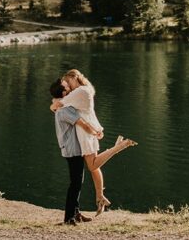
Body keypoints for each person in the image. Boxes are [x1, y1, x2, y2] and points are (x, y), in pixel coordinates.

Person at [51, 69, 137, 216]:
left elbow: (56, 105)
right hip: (89, 128)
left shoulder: (78, 92)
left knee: (92, 164)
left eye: (68, 81)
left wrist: (54, 104)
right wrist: (97, 128)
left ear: (74, 77)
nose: (68, 86)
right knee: (94, 168)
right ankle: (100, 197)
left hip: (85, 132)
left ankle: (118, 147)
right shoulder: (87, 89)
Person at [50, 77, 99, 225]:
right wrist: (96, 132)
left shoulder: (63, 106)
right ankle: (69, 218)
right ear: (64, 93)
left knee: (77, 182)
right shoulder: (64, 110)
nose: (69, 88)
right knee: (75, 183)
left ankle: (76, 213)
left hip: (73, 148)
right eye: (66, 87)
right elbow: (82, 123)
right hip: (72, 149)